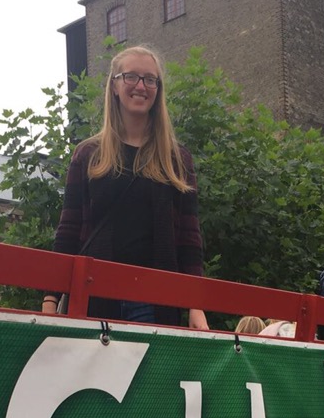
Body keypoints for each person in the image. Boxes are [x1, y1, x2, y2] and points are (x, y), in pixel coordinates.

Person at [41, 45, 207, 330]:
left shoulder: (177, 159)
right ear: (115, 86)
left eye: (150, 79)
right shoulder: (88, 154)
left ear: (158, 90)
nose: (141, 86)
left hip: (153, 300)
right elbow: (68, 230)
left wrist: (196, 305)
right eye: (131, 76)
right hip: (95, 296)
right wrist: (50, 299)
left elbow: (189, 240)